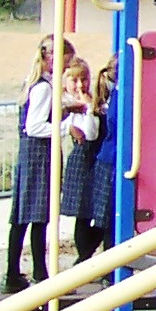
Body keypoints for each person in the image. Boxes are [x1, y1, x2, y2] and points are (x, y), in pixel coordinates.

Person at [3, 33, 74, 294]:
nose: (65, 68)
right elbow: (34, 126)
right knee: (37, 215)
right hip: (38, 153)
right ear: (50, 58)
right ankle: (39, 273)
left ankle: (15, 271)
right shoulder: (44, 87)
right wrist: (67, 125)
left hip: (30, 154)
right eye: (64, 62)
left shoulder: (34, 83)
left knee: (24, 216)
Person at [58, 57, 112, 269]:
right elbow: (89, 134)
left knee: (100, 211)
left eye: (84, 79)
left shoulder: (97, 101)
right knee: (82, 213)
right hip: (81, 161)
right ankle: (83, 258)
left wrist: (91, 107)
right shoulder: (66, 105)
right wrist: (85, 111)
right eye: (74, 80)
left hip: (97, 160)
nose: (80, 85)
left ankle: (85, 258)